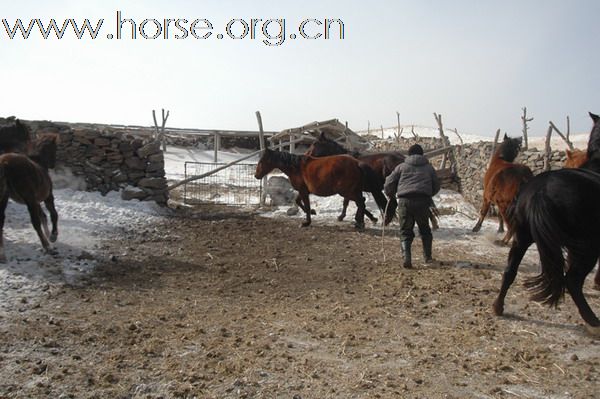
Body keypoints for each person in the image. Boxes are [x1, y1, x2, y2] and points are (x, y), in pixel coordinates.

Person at [384, 144, 440, 268]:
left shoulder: (401, 167)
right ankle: (428, 258)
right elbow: (436, 185)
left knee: (405, 231)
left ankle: (407, 259)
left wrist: (390, 193)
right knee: (425, 230)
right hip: (423, 202)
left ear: (408, 154)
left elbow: (389, 182)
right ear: (422, 154)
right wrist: (428, 194)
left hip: (405, 201)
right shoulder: (429, 168)